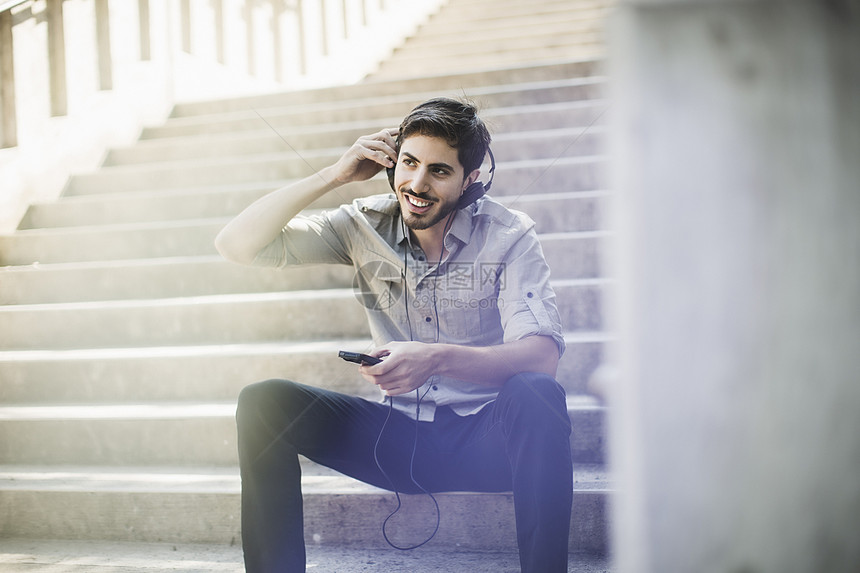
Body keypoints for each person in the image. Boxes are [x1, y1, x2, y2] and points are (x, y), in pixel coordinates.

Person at [214, 97, 572, 573]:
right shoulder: (363, 221)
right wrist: (334, 175)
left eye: (439, 171)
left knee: (538, 393)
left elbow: (542, 357)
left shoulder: (509, 235)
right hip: (396, 442)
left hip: (488, 441)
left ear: (471, 181)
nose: (417, 185)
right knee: (264, 402)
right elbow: (235, 245)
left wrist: (435, 358)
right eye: (409, 163)